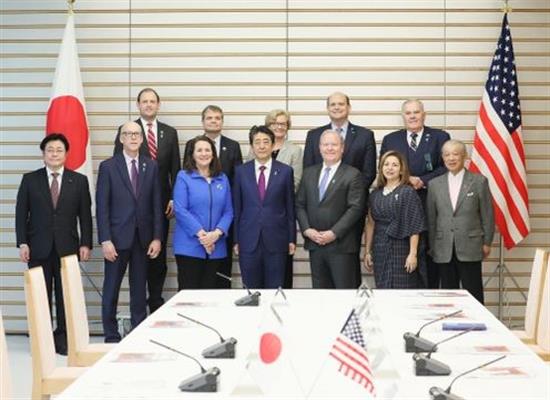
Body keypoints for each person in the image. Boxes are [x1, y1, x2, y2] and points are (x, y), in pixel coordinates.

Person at [15, 133, 93, 355]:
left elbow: (85, 216)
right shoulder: (30, 180)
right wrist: (22, 243)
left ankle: (63, 341)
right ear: (43, 154)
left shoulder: (78, 181)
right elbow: (21, 214)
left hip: (67, 249)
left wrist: (85, 243)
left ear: (66, 154)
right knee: (40, 297)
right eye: (50, 150)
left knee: (65, 296)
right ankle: (41, 342)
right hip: (37, 248)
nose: (54, 154)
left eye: (59, 150)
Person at [113, 88, 180, 313]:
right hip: (132, 208)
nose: (149, 105)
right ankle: (138, 308)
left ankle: (156, 302)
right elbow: (117, 169)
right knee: (136, 258)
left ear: (158, 105)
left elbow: (175, 170)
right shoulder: (127, 130)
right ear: (138, 105)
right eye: (145, 101)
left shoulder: (170, 133)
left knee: (157, 259)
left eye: (153, 101)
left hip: (161, 207)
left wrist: (173, 198)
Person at [97, 121, 163, 342]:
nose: (133, 137)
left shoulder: (150, 165)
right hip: (116, 240)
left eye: (137, 134)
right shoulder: (108, 167)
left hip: (142, 239)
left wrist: (156, 237)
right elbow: (102, 207)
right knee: (111, 288)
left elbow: (156, 204)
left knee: (138, 288)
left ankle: (138, 331)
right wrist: (105, 239)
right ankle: (111, 333)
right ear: (121, 139)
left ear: (142, 139)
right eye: (128, 134)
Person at [303, 92, 377, 282]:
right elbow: (308, 180)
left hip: (347, 223)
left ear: (349, 107)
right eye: (332, 104)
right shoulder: (313, 135)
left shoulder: (365, 135)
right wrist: (310, 228)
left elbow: (368, 173)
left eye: (341, 104)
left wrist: (349, 198)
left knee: (346, 284)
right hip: (317, 230)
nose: (337, 107)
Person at [380, 99, 450, 289]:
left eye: (416, 112)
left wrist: (423, 180)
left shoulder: (440, 137)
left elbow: (446, 167)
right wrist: (407, 178)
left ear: (424, 115)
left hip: (430, 204)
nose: (412, 116)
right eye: (408, 113)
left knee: (429, 255)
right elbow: (384, 168)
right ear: (403, 116)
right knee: (403, 256)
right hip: (398, 208)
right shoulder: (390, 139)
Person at [427, 140, 494, 304]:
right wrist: (432, 245)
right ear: (442, 158)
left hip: (471, 245)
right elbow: (431, 218)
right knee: (448, 296)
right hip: (443, 248)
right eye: (447, 154)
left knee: (474, 294)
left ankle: (477, 326)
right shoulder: (434, 184)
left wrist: (487, 242)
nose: (451, 158)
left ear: (464, 156)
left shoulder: (479, 181)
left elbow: (488, 214)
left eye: (455, 154)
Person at [296, 130, 365, 289]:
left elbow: (355, 208)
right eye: (326, 144)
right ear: (319, 148)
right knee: (321, 296)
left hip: (341, 246)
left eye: (334, 144)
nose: (330, 148)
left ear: (342, 148)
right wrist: (306, 230)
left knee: (344, 295)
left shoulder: (353, 174)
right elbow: (299, 204)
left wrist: (333, 233)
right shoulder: (308, 173)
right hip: (315, 245)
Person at [184, 105, 243, 288]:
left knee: (221, 275)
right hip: (196, 222)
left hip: (224, 217)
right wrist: (204, 235)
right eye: (209, 118)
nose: (214, 121)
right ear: (203, 121)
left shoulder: (233, 146)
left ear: (222, 121)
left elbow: (237, 181)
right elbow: (186, 172)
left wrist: (221, 227)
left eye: (217, 118)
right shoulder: (191, 144)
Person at [232, 125, 296, 288]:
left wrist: (291, 238)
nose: (261, 146)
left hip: (277, 240)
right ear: (252, 146)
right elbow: (237, 209)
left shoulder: (285, 171)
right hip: (248, 240)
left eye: (266, 142)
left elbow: (290, 207)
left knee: (275, 289)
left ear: (273, 145)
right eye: (257, 142)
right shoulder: (240, 172)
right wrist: (236, 240)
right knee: (251, 291)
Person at [247, 109, 303, 288]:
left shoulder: (294, 150)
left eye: (283, 123)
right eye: (275, 123)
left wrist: (272, 191)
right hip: (254, 225)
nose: (279, 127)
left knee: (280, 280)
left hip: (279, 217)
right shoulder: (254, 150)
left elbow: (295, 182)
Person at [173, 136, 233, 289]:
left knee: (214, 297)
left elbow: (228, 211)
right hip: (189, 247)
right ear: (192, 154)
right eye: (199, 150)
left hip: (216, 248)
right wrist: (203, 236)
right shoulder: (183, 176)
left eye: (208, 150)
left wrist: (216, 234)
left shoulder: (222, 178)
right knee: (189, 297)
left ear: (213, 154)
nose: (204, 153)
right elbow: (180, 210)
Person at [364, 151, 426, 288]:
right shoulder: (375, 194)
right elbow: (370, 224)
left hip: (402, 248)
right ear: (381, 169)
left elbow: (415, 225)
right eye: (386, 164)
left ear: (401, 169)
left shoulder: (408, 192)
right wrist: (367, 251)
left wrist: (413, 254)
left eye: (395, 165)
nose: (390, 168)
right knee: (383, 289)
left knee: (403, 289)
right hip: (380, 248)